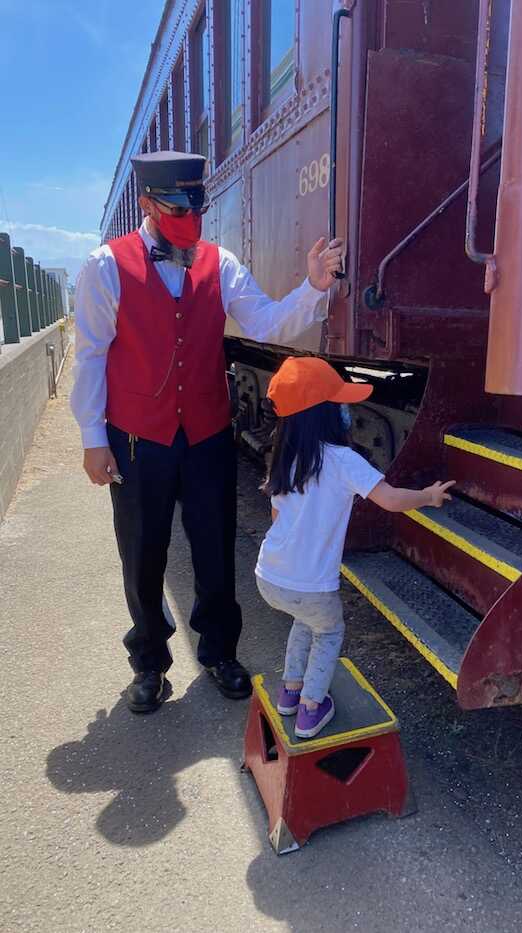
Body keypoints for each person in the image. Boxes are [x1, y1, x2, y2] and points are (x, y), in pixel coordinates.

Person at [70, 151, 343, 714]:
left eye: (195, 210)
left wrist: (313, 289)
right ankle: (149, 661)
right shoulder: (104, 266)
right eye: (175, 211)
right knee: (143, 555)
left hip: (206, 435)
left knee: (215, 550)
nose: (188, 224)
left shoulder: (220, 263)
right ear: (147, 205)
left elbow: (266, 321)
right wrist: (93, 438)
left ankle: (220, 652)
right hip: (136, 439)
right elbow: (91, 356)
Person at [255, 356, 455, 738]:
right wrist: (428, 496)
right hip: (311, 587)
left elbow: (277, 518)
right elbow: (392, 500)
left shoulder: (285, 458)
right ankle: (312, 707)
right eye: (339, 403)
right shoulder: (344, 460)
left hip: (270, 576)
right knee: (329, 632)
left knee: (305, 620)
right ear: (325, 415)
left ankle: (290, 692)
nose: (346, 410)